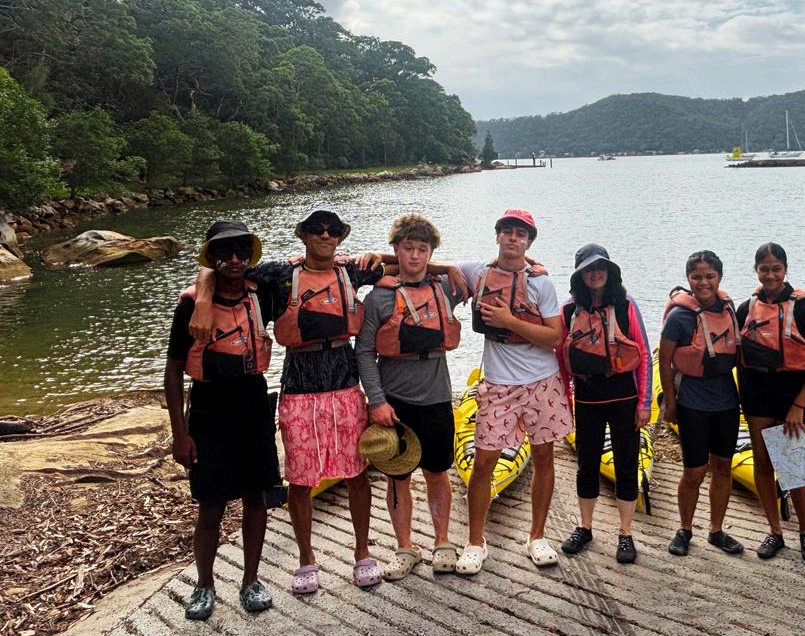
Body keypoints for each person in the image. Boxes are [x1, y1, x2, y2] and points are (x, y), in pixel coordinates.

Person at [190, 203, 386, 594]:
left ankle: (363, 552)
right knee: (300, 478)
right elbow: (216, 270)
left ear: (341, 237)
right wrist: (200, 302)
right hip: (298, 387)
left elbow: (410, 262)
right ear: (303, 235)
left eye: (333, 229)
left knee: (356, 473)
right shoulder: (279, 275)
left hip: (345, 385)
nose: (325, 235)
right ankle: (306, 559)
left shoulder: (351, 271)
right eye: (317, 228)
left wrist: (390, 256)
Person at [166, 220, 279, 620]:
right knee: (211, 505)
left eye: (241, 251)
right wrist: (180, 434)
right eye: (224, 252)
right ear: (212, 257)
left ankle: (251, 581)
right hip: (209, 406)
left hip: (253, 401)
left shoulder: (262, 291)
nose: (234, 259)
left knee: (256, 498)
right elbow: (173, 372)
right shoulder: (190, 306)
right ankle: (204, 585)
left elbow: (316, 265)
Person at [454, 209, 569, 573]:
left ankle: (537, 536)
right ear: (498, 236)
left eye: (520, 234)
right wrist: (378, 257)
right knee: (483, 462)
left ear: (529, 242)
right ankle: (475, 541)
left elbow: (554, 337)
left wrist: (509, 321)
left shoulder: (541, 284)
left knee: (544, 457)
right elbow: (431, 264)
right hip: (498, 384)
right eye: (507, 231)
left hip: (542, 382)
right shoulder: (478, 273)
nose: (513, 238)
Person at [356, 215, 462, 580]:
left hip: (436, 397)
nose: (415, 256)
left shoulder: (446, 288)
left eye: (422, 249)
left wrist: (447, 267)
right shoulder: (378, 298)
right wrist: (376, 400)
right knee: (398, 477)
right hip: (395, 401)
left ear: (431, 253)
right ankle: (405, 547)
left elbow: (497, 269)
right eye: (408, 248)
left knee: (437, 472)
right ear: (396, 250)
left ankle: (442, 541)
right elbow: (363, 352)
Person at [556, 244, 652, 564]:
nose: (595, 274)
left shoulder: (626, 305)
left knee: (626, 464)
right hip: (587, 400)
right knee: (587, 465)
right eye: (588, 269)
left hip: (624, 399)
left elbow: (643, 354)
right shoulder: (568, 311)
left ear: (610, 272)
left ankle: (626, 533)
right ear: (579, 275)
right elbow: (561, 362)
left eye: (601, 268)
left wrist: (644, 402)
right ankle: (585, 528)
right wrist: (566, 404)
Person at [735, 243, 805, 563]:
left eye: (776, 268)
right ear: (756, 271)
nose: (771, 275)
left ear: (785, 269)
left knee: (794, 465)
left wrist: (799, 404)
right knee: (762, 462)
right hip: (757, 392)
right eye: (764, 269)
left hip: (792, 392)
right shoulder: (746, 307)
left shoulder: (803, 308)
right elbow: (737, 355)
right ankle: (774, 530)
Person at [659, 250, 744, 558]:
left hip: (726, 402)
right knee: (694, 471)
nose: (703, 282)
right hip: (692, 403)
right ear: (688, 279)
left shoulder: (729, 310)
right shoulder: (679, 317)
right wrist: (670, 403)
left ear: (720, 277)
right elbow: (664, 361)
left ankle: (716, 530)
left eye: (710, 276)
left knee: (722, 468)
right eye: (696, 277)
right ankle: (684, 529)